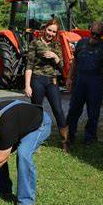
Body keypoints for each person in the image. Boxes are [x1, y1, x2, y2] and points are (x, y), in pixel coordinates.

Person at [66, 21, 103, 145]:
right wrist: (69, 78)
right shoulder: (81, 43)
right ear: (89, 31)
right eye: (93, 34)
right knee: (73, 110)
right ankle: (69, 135)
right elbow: (75, 62)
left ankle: (90, 137)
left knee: (93, 112)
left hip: (96, 82)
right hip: (80, 81)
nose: (95, 37)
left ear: (102, 34)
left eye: (98, 35)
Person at [25, 18, 68, 151]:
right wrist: (27, 85)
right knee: (36, 111)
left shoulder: (57, 45)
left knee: (58, 111)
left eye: (54, 32)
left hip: (52, 81)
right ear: (45, 29)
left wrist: (55, 57)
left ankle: (66, 142)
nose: (51, 33)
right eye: (49, 30)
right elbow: (29, 65)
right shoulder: (35, 43)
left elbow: (62, 66)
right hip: (37, 80)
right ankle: (35, 142)